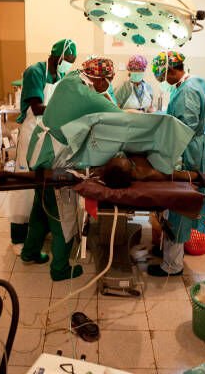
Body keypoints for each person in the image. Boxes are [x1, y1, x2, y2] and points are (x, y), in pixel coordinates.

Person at [21, 57, 122, 281]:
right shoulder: (87, 94)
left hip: (39, 151)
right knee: (62, 215)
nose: (110, 86)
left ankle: (29, 252)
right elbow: (120, 117)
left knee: (41, 207)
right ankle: (60, 269)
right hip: (53, 160)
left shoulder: (72, 79)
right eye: (109, 81)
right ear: (100, 80)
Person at [7, 39, 77, 255]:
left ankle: (38, 234)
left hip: (49, 134)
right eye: (67, 61)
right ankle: (19, 237)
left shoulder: (61, 76)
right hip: (31, 132)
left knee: (43, 185)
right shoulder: (34, 72)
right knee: (25, 185)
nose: (68, 65)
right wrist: (65, 112)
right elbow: (37, 107)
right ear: (57, 56)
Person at [148, 51, 205, 277]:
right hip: (191, 148)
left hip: (188, 154)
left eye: (165, 77)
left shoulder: (188, 92)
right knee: (177, 205)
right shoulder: (191, 84)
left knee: (179, 206)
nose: (165, 82)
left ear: (173, 71)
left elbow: (185, 127)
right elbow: (180, 118)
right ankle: (171, 256)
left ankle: (172, 266)